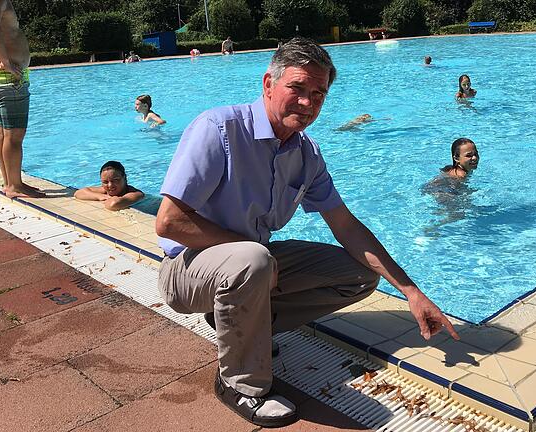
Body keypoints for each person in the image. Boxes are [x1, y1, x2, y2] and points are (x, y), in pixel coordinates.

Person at [155, 37, 459, 428]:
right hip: (187, 270)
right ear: (268, 84)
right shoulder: (219, 129)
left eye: (318, 93)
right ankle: (240, 385)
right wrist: (248, 251)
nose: (307, 102)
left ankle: (244, 327)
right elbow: (169, 222)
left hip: (251, 265)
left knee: (359, 275)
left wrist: (410, 291)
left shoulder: (306, 153)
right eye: (296, 88)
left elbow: (346, 225)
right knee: (254, 258)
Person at [0, 0, 44, 198]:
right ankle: (15, 186)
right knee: (14, 136)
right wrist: (5, 61)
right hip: (8, 78)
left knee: (3, 134)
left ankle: (10, 182)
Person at [75, 161, 144, 211]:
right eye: (105, 182)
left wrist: (105, 198)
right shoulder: (105, 190)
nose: (110, 185)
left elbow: (113, 204)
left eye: (115, 180)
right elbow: (78, 193)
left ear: (125, 178)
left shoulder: (136, 194)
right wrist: (100, 196)